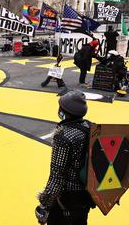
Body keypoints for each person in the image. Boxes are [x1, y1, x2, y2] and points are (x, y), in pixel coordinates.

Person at [36, 90, 94, 225]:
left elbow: (57, 176)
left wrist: (44, 205)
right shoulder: (91, 127)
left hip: (67, 197)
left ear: (65, 110)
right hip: (87, 193)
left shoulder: (63, 135)